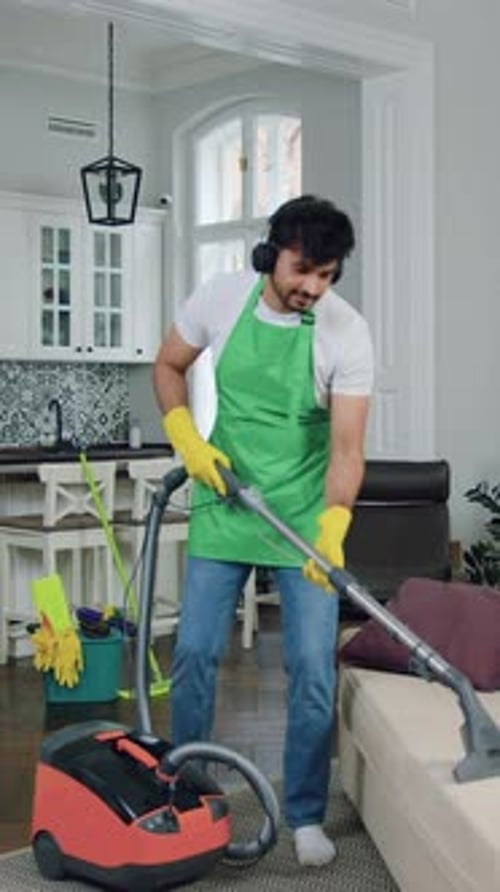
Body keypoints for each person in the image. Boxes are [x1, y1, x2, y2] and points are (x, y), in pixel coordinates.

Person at [153, 194, 374, 868]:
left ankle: (306, 815)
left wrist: (334, 523)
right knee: (192, 656)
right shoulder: (221, 297)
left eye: (328, 276)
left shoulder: (345, 331)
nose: (313, 287)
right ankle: (187, 793)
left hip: (303, 517)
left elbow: (346, 448)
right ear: (270, 251)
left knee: (311, 668)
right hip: (226, 499)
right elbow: (168, 365)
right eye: (304, 269)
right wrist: (186, 437)